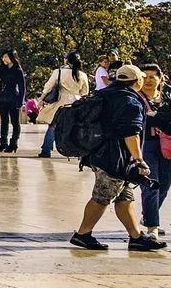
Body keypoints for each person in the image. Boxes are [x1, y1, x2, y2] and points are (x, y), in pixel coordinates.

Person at [67, 65, 165, 252]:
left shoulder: (105, 94)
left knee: (124, 196)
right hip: (115, 159)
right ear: (137, 81)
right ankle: (82, 234)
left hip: (97, 152)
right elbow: (131, 134)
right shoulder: (130, 101)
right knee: (102, 197)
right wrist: (139, 160)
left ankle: (136, 237)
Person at [37, 52, 93, 157]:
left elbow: (48, 86)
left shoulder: (58, 72)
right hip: (77, 103)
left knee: (53, 126)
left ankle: (46, 150)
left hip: (61, 103)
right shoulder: (82, 75)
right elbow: (85, 92)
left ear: (66, 60)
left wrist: (41, 98)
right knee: (76, 127)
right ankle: (79, 151)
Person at [140, 66, 170, 243]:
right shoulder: (136, 96)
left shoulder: (167, 97)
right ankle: (153, 227)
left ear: (160, 79)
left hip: (167, 145)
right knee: (151, 184)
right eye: (146, 77)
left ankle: (149, 216)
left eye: (153, 76)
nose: (150, 80)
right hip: (147, 144)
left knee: (165, 185)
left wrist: (156, 117)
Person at [0, 51, 26, 154]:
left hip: (14, 98)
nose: (3, 59)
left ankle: (13, 143)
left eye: (5, 57)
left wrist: (21, 101)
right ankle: (3, 143)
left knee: (15, 122)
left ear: (11, 57)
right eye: (2, 57)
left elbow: (22, 87)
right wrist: (1, 66)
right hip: (3, 99)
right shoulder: (4, 69)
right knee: (4, 122)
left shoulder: (18, 71)